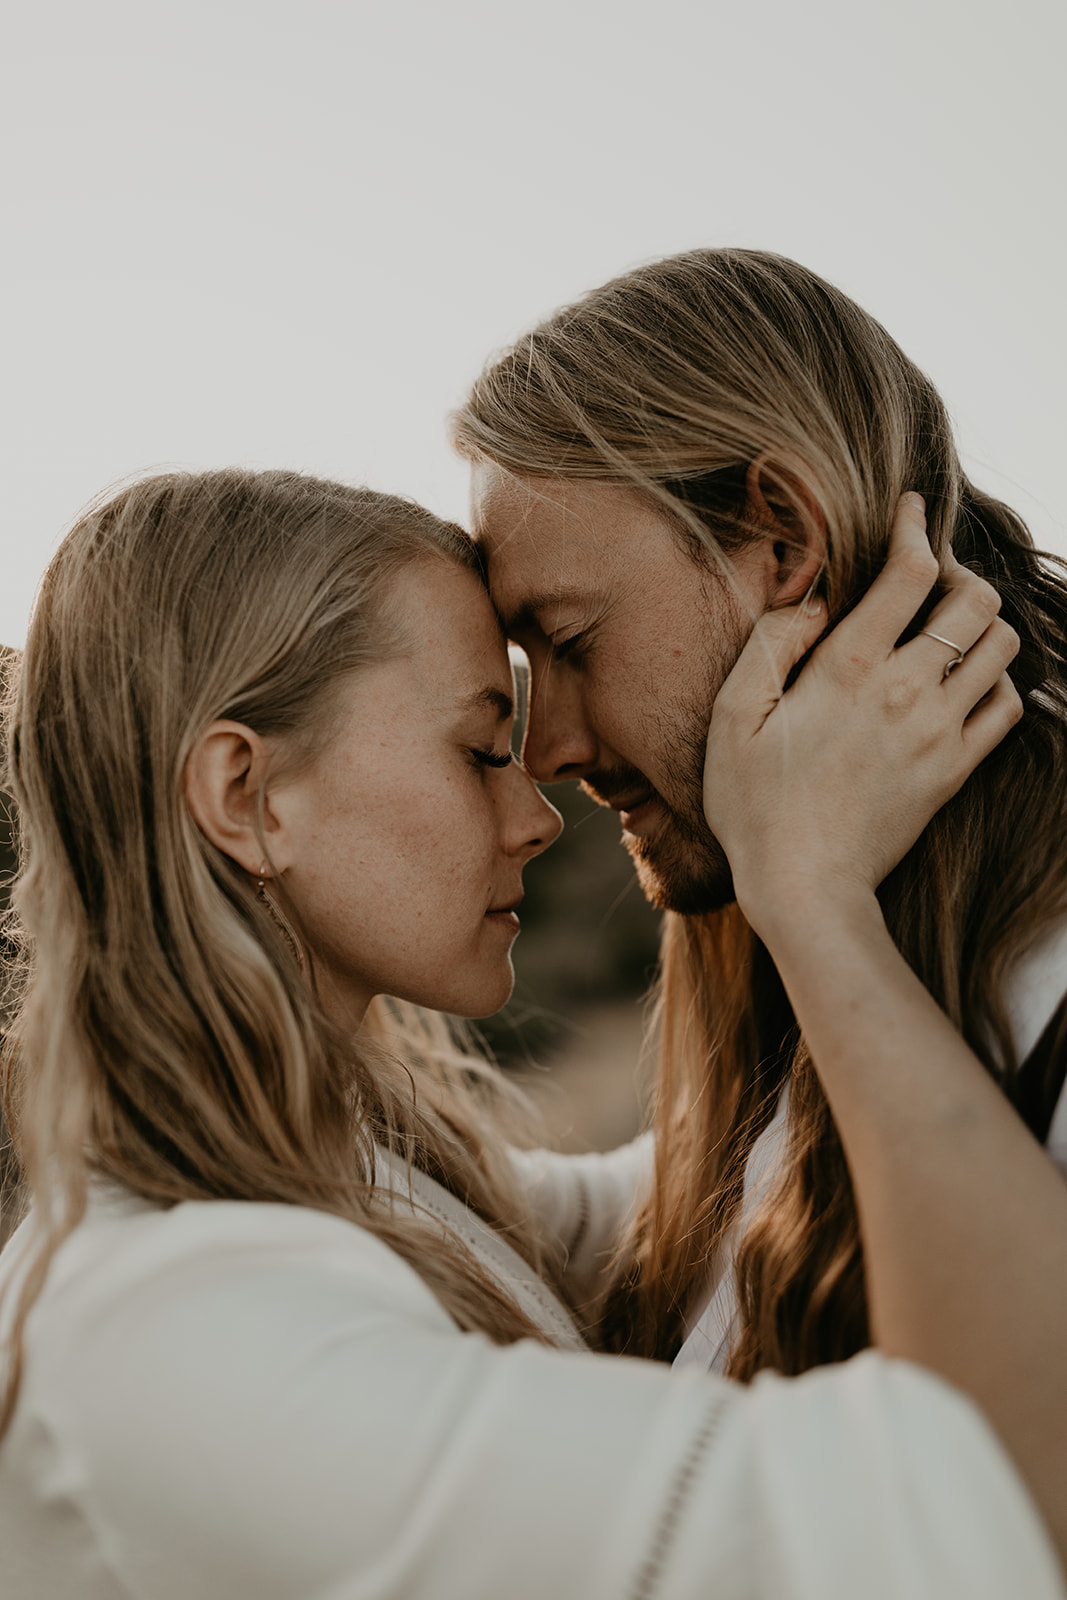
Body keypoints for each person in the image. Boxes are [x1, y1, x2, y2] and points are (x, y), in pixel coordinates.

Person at [0, 466, 1063, 1598]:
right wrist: (809, 897)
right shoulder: (184, 1344)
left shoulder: (339, 1176)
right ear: (245, 793)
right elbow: (991, 1495)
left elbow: (706, 1196)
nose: (537, 816)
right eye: (478, 748)